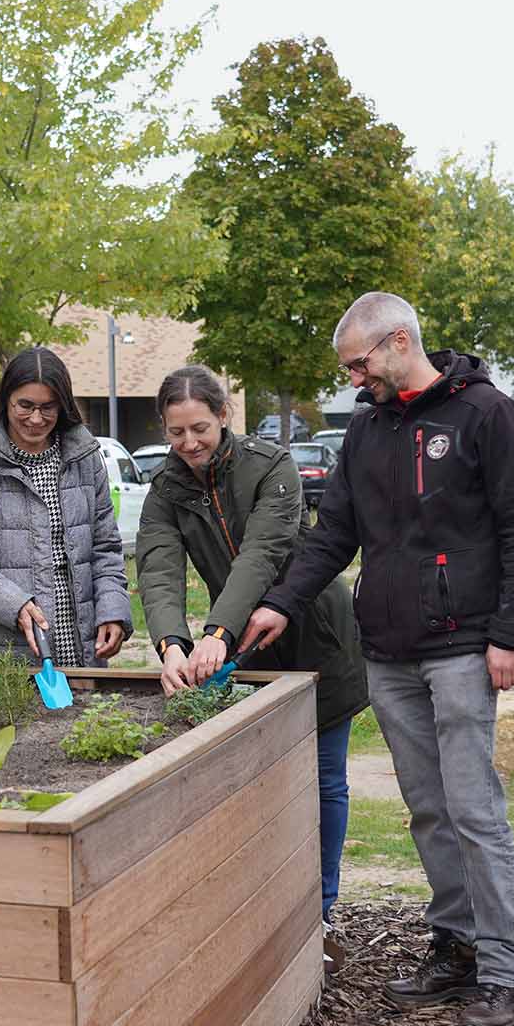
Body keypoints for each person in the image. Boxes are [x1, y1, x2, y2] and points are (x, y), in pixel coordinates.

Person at [242, 292, 514, 1026]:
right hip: (387, 651)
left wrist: (511, 636)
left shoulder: (487, 415)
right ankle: (456, 943)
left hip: (464, 647)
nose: (354, 379)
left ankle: (506, 970)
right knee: (428, 808)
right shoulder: (367, 431)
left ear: (400, 341)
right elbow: (332, 534)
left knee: (474, 808)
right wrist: (282, 601)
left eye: (360, 363)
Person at [136, 365, 370, 968]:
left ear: (224, 418)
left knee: (323, 781)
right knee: (256, 781)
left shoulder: (272, 466)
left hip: (313, 631)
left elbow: (263, 555)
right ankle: (265, 906)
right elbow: (159, 567)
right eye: (176, 432)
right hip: (242, 647)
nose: (189, 444)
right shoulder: (165, 488)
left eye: (200, 429)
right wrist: (170, 642)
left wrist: (217, 629)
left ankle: (318, 913)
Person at [0, 348, 131, 666]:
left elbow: (105, 548)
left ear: (63, 405)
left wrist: (112, 609)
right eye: (25, 405)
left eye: (48, 407)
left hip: (80, 646)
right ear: (6, 401)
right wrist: (12, 603)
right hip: (1, 654)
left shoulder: (85, 461)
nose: (36, 419)